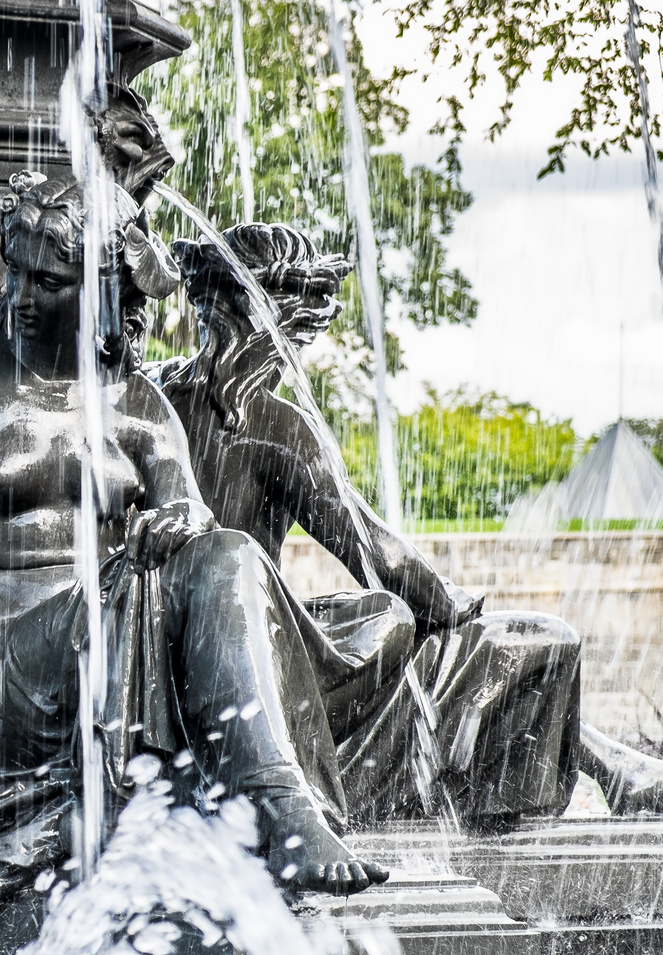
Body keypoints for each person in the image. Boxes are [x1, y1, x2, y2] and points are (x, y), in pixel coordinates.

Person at [0, 172, 390, 901]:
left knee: (227, 552)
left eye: (45, 282)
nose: (16, 296)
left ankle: (274, 797)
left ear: (100, 290)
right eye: (12, 270)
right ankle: (275, 806)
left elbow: (192, 518)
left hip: (106, 653)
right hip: (4, 674)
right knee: (182, 575)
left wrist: (178, 521)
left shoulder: (137, 404)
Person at [161, 223, 580, 828]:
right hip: (257, 673)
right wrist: (454, 604)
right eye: (295, 336)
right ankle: (517, 796)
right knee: (507, 638)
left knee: (483, 650)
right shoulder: (273, 423)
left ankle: (612, 767)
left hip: (175, 669)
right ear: (267, 322)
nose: (291, 357)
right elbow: (375, 553)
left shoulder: (151, 392)